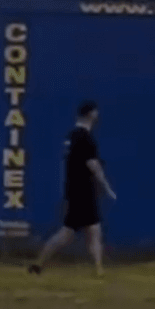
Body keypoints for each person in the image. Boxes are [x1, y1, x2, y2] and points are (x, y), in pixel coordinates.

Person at [29, 101, 117, 276]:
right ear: (91, 114)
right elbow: (93, 165)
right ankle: (39, 264)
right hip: (84, 192)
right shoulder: (86, 138)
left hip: (74, 190)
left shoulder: (72, 136)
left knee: (88, 230)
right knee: (74, 233)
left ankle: (98, 269)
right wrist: (106, 187)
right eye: (95, 113)